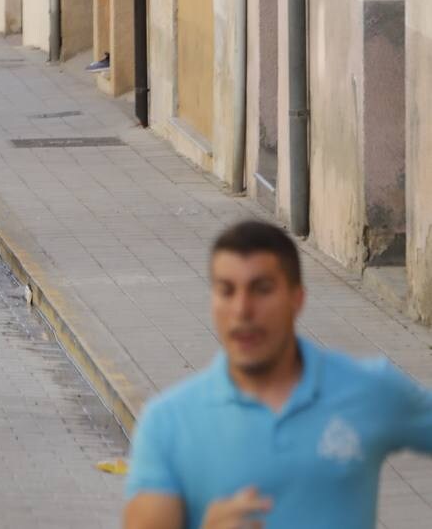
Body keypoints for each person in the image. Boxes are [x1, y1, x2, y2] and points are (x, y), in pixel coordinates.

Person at [122, 221, 432, 528]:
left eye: (262, 289)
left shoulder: (369, 390)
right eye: (227, 291)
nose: (243, 310)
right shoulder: (168, 423)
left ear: (296, 298)